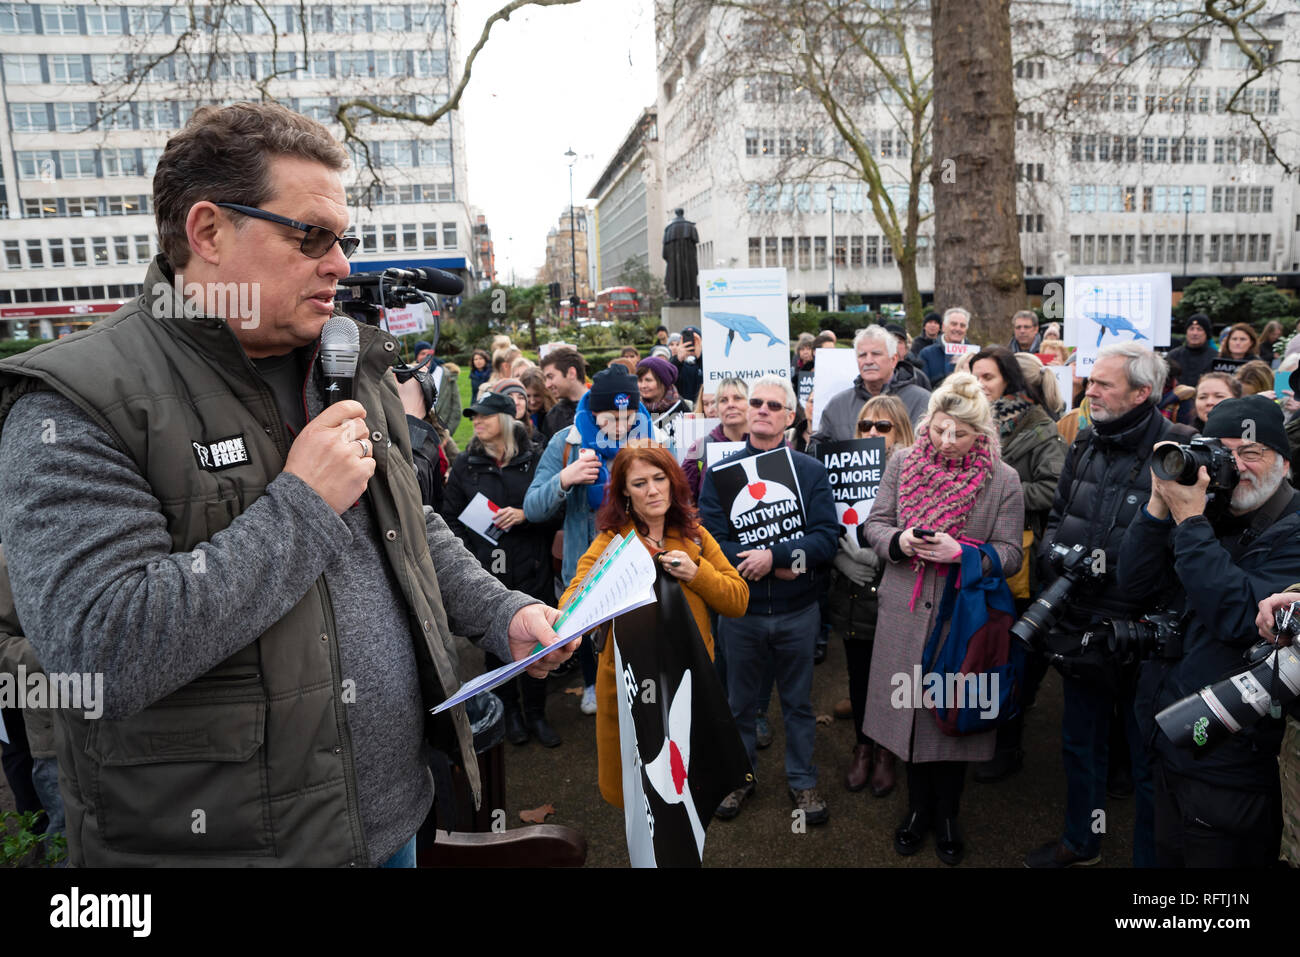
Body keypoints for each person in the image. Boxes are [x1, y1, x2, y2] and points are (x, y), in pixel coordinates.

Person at [0, 102, 572, 867]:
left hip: (395, 818)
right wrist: (301, 504)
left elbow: (407, 527)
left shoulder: (344, 364)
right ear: (207, 232)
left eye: (344, 240)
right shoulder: (78, 402)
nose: (339, 264)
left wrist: (500, 612)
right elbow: (99, 652)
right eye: (311, 236)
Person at [1024, 341, 1191, 869]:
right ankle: (1081, 843)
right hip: (1081, 621)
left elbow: (1190, 540)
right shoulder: (1087, 440)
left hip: (1144, 633)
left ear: (1142, 393)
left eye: (1102, 384)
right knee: (1080, 743)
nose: (1088, 390)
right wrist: (1054, 559)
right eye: (1089, 381)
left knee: (1146, 759)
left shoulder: (1181, 449)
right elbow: (1059, 511)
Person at [1120, 395, 1300, 866]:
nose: (1235, 465)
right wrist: (1160, 507)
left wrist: (1190, 521)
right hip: (1167, 732)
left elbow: (1239, 618)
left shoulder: (1292, 529)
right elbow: (1133, 584)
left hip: (1233, 760)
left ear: (1284, 462)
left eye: (1251, 452)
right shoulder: (1209, 512)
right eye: (1222, 451)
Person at [862, 373, 1024, 865]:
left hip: (963, 619)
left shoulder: (1003, 478)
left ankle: (949, 814)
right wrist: (899, 541)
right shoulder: (901, 460)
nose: (946, 442)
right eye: (938, 430)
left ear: (982, 434)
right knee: (909, 717)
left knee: (952, 721)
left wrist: (963, 553)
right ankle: (916, 812)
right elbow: (875, 524)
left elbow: (1012, 554)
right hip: (903, 614)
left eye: (960, 434)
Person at [565, 442, 749, 807]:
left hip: (688, 686)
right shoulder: (611, 542)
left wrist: (697, 573)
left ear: (673, 482)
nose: (652, 490)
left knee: (685, 794)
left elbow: (737, 600)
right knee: (642, 799)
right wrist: (608, 585)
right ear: (623, 493)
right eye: (639, 483)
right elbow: (570, 607)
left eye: (659, 478)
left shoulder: (695, 536)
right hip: (634, 693)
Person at [700, 376, 840, 824]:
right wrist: (758, 564)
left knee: (798, 704)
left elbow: (826, 539)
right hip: (742, 613)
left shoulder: (812, 472)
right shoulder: (719, 475)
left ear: (790, 416)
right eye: (755, 402)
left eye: (772, 404)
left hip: (800, 612)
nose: (761, 409)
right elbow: (712, 542)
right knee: (738, 705)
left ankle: (802, 781)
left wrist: (777, 556)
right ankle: (740, 780)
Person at [525, 366, 655, 718]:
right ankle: (593, 683)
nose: (621, 425)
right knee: (587, 635)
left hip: (640, 566)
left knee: (639, 638)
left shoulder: (652, 442)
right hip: (586, 569)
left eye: (628, 416)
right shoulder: (566, 443)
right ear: (593, 412)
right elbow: (533, 508)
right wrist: (565, 480)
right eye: (610, 417)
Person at [441, 393, 561, 748]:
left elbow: (558, 510)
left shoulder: (536, 460)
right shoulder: (466, 464)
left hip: (532, 565)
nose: (476, 422)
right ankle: (509, 713)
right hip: (488, 570)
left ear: (507, 420)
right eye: (473, 416)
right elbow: (449, 517)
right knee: (496, 642)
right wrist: (471, 555)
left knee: (539, 641)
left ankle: (537, 714)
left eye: (484, 416)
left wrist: (526, 515)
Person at [968, 347, 1066, 782]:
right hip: (968, 552)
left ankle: (1007, 743)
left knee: (1010, 651)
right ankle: (972, 727)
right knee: (974, 644)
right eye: (973, 377)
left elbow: (1054, 489)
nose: (980, 385)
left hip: (1016, 559)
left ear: (1008, 379)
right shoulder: (963, 423)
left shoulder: (1039, 428)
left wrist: (998, 492)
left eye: (988, 377)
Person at [827, 395, 914, 796]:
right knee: (860, 674)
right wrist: (839, 558)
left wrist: (881, 555)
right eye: (866, 426)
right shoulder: (838, 465)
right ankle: (863, 745)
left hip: (896, 588)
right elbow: (819, 519)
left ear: (901, 429)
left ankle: (886, 751)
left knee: (895, 677)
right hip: (853, 593)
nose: (873, 433)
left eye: (883, 426)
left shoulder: (916, 473)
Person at [817, 325, 931, 437]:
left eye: (876, 354)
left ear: (893, 359)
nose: (868, 361)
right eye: (862, 355)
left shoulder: (923, 402)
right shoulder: (837, 405)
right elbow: (819, 449)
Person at [684, 376, 748, 501]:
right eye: (723, 400)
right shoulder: (699, 448)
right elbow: (684, 498)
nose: (730, 404)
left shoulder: (768, 443)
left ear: (750, 404)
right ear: (717, 408)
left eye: (738, 398)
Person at [1165, 314, 1217, 424]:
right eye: (1191, 329)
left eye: (1199, 329)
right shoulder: (1173, 355)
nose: (1195, 333)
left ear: (1206, 333)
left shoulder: (1216, 357)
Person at [636, 355, 693, 448]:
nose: (643, 385)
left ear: (663, 382)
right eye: (640, 380)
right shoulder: (636, 408)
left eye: (648, 380)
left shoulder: (680, 406)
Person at [538, 347, 588, 443]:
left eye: (550, 377)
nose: (547, 385)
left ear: (571, 373)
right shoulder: (552, 417)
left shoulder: (603, 407)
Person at [918, 307, 972, 387]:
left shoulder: (973, 354)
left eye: (962, 326)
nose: (958, 329)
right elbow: (923, 386)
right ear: (943, 327)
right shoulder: (927, 354)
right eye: (954, 324)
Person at [520, 366, 554, 435]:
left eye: (537, 396)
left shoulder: (555, 415)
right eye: (528, 396)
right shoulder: (518, 415)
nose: (532, 401)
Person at [674, 325, 704, 402]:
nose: (691, 343)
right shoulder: (676, 364)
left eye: (695, 341)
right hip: (681, 409)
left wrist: (700, 356)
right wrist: (678, 359)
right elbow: (668, 379)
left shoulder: (705, 362)